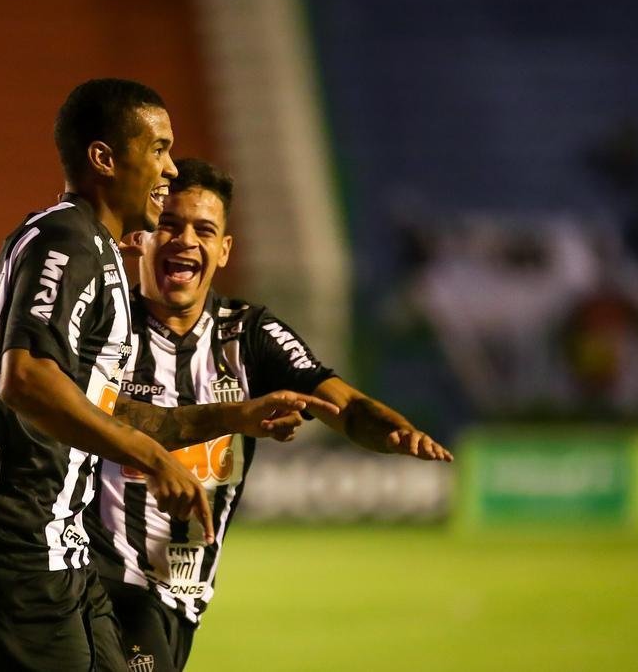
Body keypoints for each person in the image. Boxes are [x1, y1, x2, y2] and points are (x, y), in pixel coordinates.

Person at [0, 82, 334, 672]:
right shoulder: (69, 239)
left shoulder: (97, 249)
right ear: (104, 159)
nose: (170, 168)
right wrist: (153, 456)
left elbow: (106, 410)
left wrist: (232, 417)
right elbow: (27, 379)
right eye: (159, 148)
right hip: (11, 539)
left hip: (59, 546)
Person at [86, 158, 453, 672]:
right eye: (169, 224)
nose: (185, 240)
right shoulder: (103, 322)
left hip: (181, 592)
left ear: (223, 250)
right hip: (99, 578)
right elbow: (86, 410)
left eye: (204, 230)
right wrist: (235, 416)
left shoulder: (249, 334)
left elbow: (340, 403)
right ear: (142, 237)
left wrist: (392, 430)